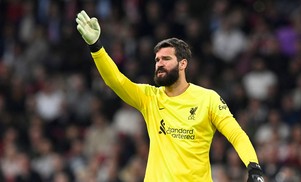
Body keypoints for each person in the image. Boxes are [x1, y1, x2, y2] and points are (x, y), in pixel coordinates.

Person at [75, 10, 264, 182]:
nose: (159, 64)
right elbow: (115, 81)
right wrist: (96, 46)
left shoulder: (208, 99)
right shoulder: (150, 97)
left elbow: (236, 134)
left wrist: (253, 167)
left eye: (166, 59)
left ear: (183, 64)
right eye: (157, 60)